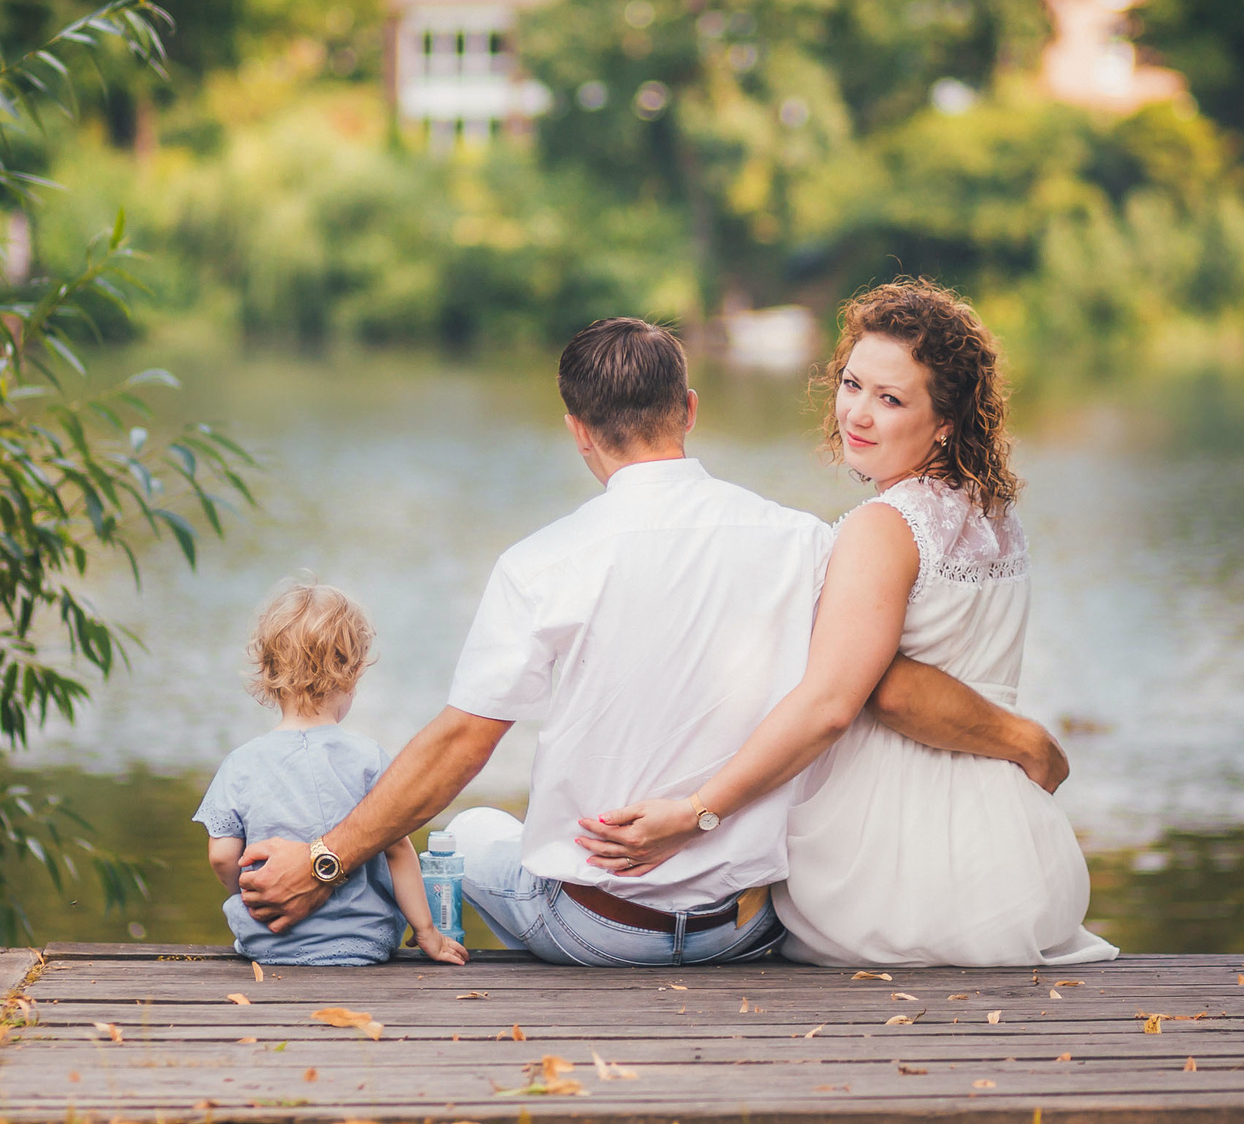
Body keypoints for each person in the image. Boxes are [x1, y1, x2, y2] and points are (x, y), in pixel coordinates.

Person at [236, 316, 1067, 966]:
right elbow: (885, 684)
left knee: (468, 835)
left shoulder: (542, 563)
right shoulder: (805, 540)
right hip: (750, 926)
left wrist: (325, 861)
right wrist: (1023, 740)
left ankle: (392, 938)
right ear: (691, 411)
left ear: (578, 432)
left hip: (600, 929)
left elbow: (461, 744)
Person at [577, 280, 1117, 968]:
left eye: (890, 399)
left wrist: (698, 812)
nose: (858, 413)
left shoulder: (883, 528)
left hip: (890, 874)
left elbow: (853, 700)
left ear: (945, 420)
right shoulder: (990, 516)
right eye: (852, 384)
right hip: (1010, 865)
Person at [194, 582, 467, 965]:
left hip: (270, 942)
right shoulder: (368, 758)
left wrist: (250, 893)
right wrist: (428, 933)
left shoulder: (240, 763)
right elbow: (399, 849)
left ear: (268, 670)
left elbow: (222, 855)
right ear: (352, 672)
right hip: (364, 943)